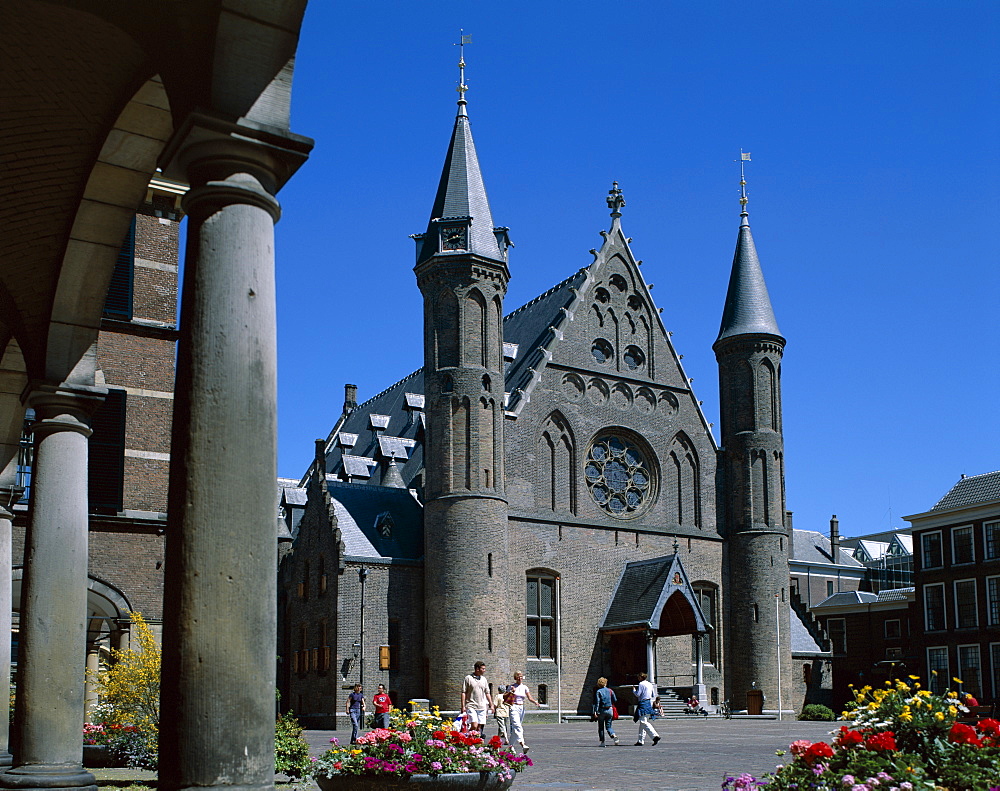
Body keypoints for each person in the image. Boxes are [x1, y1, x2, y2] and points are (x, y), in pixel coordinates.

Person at [508, 670, 538, 753]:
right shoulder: (512, 686)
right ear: (515, 678)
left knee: (516, 728)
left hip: (521, 708)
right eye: (518, 677)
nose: (520, 678)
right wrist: (511, 691)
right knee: (517, 726)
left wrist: (535, 702)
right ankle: (523, 744)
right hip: (513, 706)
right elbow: (506, 698)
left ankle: (510, 746)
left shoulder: (525, 687)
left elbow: (529, 697)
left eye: (521, 676)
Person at [461, 661, 493, 734]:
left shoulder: (484, 679)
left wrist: (491, 705)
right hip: (471, 705)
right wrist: (463, 706)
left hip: (481, 706)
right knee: (474, 725)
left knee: (479, 728)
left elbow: (487, 692)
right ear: (477, 669)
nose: (484, 670)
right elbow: (463, 692)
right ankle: (466, 736)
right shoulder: (468, 678)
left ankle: (475, 742)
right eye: (483, 669)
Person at [633, 672, 660, 746]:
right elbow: (653, 695)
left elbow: (638, 694)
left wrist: (634, 690)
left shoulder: (641, 684)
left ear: (641, 677)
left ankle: (654, 736)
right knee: (642, 723)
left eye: (638, 677)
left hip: (643, 703)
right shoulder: (650, 684)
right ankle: (640, 740)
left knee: (643, 722)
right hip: (648, 702)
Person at [592, 677, 619, 747]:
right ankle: (613, 734)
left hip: (601, 710)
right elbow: (615, 699)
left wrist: (595, 711)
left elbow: (597, 702)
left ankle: (602, 742)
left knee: (601, 727)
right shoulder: (610, 690)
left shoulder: (599, 691)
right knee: (608, 726)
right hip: (610, 710)